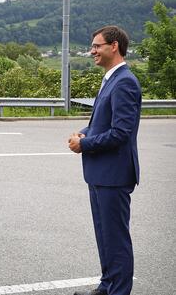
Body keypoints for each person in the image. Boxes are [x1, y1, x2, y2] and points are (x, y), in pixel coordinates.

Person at [68, 26, 141, 295]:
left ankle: (118, 291)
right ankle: (107, 286)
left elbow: (121, 132)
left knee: (116, 239)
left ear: (114, 46)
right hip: (100, 173)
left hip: (114, 174)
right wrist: (84, 132)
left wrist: (84, 144)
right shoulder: (111, 79)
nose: (92, 51)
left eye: (97, 46)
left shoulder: (125, 82)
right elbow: (105, 122)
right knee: (105, 237)